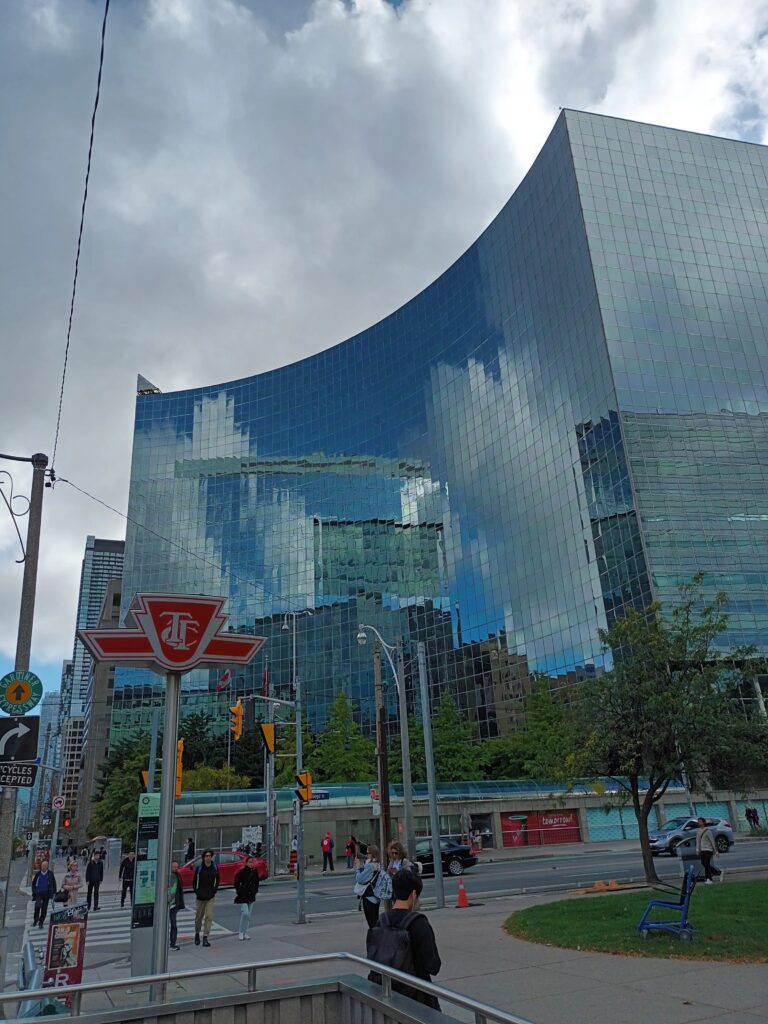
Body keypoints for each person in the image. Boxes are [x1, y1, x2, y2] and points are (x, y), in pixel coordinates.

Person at [367, 868, 441, 1010]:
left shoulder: (381, 921)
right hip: (418, 999)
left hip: (387, 995)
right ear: (413, 894)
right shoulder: (419, 923)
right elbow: (433, 966)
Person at [193, 848, 219, 946]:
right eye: (206, 856)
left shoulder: (215, 867)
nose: (208, 858)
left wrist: (214, 890)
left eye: (209, 856)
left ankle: (205, 937)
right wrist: (197, 892)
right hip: (200, 897)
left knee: (209, 916)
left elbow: (217, 880)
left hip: (210, 897)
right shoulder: (199, 868)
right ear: (203, 857)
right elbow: (194, 882)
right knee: (198, 918)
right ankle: (197, 934)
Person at [354, 844, 381, 928]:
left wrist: (357, 868)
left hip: (369, 897)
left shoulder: (370, 866)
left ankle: (374, 936)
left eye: (368, 853)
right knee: (375, 920)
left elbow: (359, 879)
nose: (366, 855)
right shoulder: (377, 864)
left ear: (372, 854)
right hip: (376, 896)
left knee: (372, 924)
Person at [234, 855, 260, 940]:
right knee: (245, 913)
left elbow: (257, 882)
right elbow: (236, 882)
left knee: (249, 915)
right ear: (246, 863)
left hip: (251, 895)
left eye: (252, 862)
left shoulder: (255, 871)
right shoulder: (242, 872)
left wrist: (255, 890)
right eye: (249, 862)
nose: (251, 864)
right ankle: (241, 932)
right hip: (243, 895)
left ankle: (245, 932)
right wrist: (239, 891)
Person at [696, 817, 723, 884]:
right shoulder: (698, 831)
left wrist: (716, 851)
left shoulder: (708, 831)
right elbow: (698, 841)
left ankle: (709, 879)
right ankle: (718, 872)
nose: (699, 822)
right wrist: (697, 849)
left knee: (706, 863)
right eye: (698, 821)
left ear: (704, 822)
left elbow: (712, 841)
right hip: (702, 849)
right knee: (703, 863)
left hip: (708, 849)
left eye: (700, 821)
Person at [32, 859, 56, 928]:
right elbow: (33, 884)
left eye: (44, 866)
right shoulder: (38, 874)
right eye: (42, 866)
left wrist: (54, 893)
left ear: (47, 866)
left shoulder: (50, 874)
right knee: (37, 906)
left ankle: (41, 922)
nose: (43, 867)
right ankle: (35, 919)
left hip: (47, 894)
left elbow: (54, 883)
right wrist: (34, 891)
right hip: (38, 893)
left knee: (44, 909)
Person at [168, 860, 185, 951]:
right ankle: (169, 943)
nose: (175, 868)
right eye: (173, 867)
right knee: (171, 925)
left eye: (176, 867)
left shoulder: (178, 876)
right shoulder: (168, 876)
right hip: (168, 904)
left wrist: (179, 904)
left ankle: (172, 944)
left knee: (174, 925)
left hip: (174, 905)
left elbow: (179, 891)